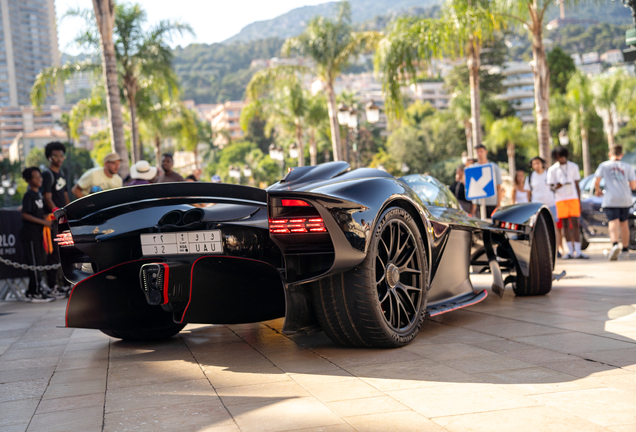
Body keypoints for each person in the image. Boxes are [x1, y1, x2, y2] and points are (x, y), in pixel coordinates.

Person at [594, 145, 636, 260]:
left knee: (613, 222)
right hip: (625, 199)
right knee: (624, 223)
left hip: (611, 199)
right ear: (621, 154)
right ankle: (626, 249)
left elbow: (596, 180)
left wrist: (597, 190)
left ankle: (615, 244)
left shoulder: (604, 165)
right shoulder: (628, 167)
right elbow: (633, 186)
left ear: (609, 154)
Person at [40, 142, 71, 299]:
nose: (59, 159)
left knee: (65, 252)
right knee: (53, 254)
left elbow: (64, 195)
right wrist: (57, 213)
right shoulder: (47, 174)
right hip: (53, 220)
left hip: (63, 219)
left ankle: (65, 285)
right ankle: (52, 286)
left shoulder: (62, 173)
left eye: (61, 156)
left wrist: (69, 211)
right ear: (49, 157)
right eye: (56, 156)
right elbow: (47, 197)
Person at [20, 167, 55, 302]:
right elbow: (25, 215)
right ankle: (35, 292)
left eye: (40, 176)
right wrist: (43, 222)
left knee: (40, 261)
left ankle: (34, 289)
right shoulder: (29, 195)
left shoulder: (39, 194)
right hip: (30, 235)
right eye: (35, 177)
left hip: (38, 235)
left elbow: (37, 212)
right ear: (29, 180)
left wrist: (45, 217)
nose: (39, 179)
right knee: (34, 263)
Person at [547, 145, 587, 259]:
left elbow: (577, 185)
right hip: (560, 199)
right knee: (564, 225)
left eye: (562, 156)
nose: (561, 159)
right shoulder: (552, 169)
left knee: (575, 224)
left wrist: (579, 201)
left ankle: (578, 251)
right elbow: (551, 187)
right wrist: (557, 186)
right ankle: (570, 251)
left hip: (573, 197)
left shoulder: (573, 166)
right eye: (558, 157)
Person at [526, 156, 563, 257]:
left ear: (542, 163)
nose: (536, 165)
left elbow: (557, 185)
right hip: (536, 206)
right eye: (534, 164)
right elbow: (528, 193)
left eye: (538, 163)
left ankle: (556, 250)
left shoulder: (549, 173)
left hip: (551, 204)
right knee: (538, 228)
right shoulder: (530, 177)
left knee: (555, 228)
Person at [470, 144, 503, 218]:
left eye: (481, 151)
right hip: (479, 204)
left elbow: (499, 187)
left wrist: (498, 204)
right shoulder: (473, 167)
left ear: (486, 152)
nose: (479, 154)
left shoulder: (494, 167)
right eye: (477, 152)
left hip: (492, 204)